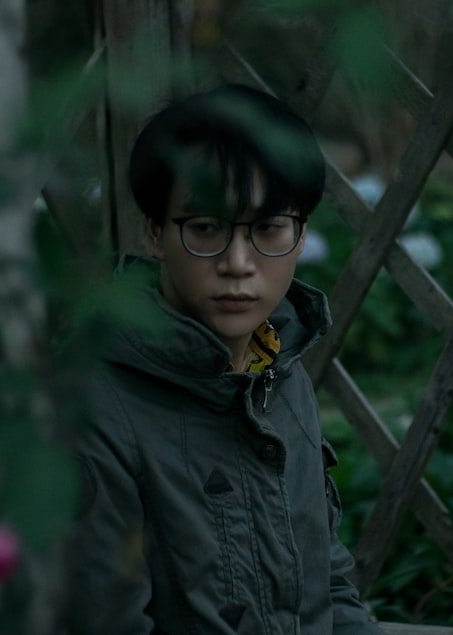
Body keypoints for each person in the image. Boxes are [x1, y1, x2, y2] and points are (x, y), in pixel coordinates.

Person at [63, 84, 384, 634]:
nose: (238, 264)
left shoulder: (281, 370)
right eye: (206, 228)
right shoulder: (93, 406)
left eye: (267, 230)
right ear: (156, 232)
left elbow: (328, 584)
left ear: (301, 235)